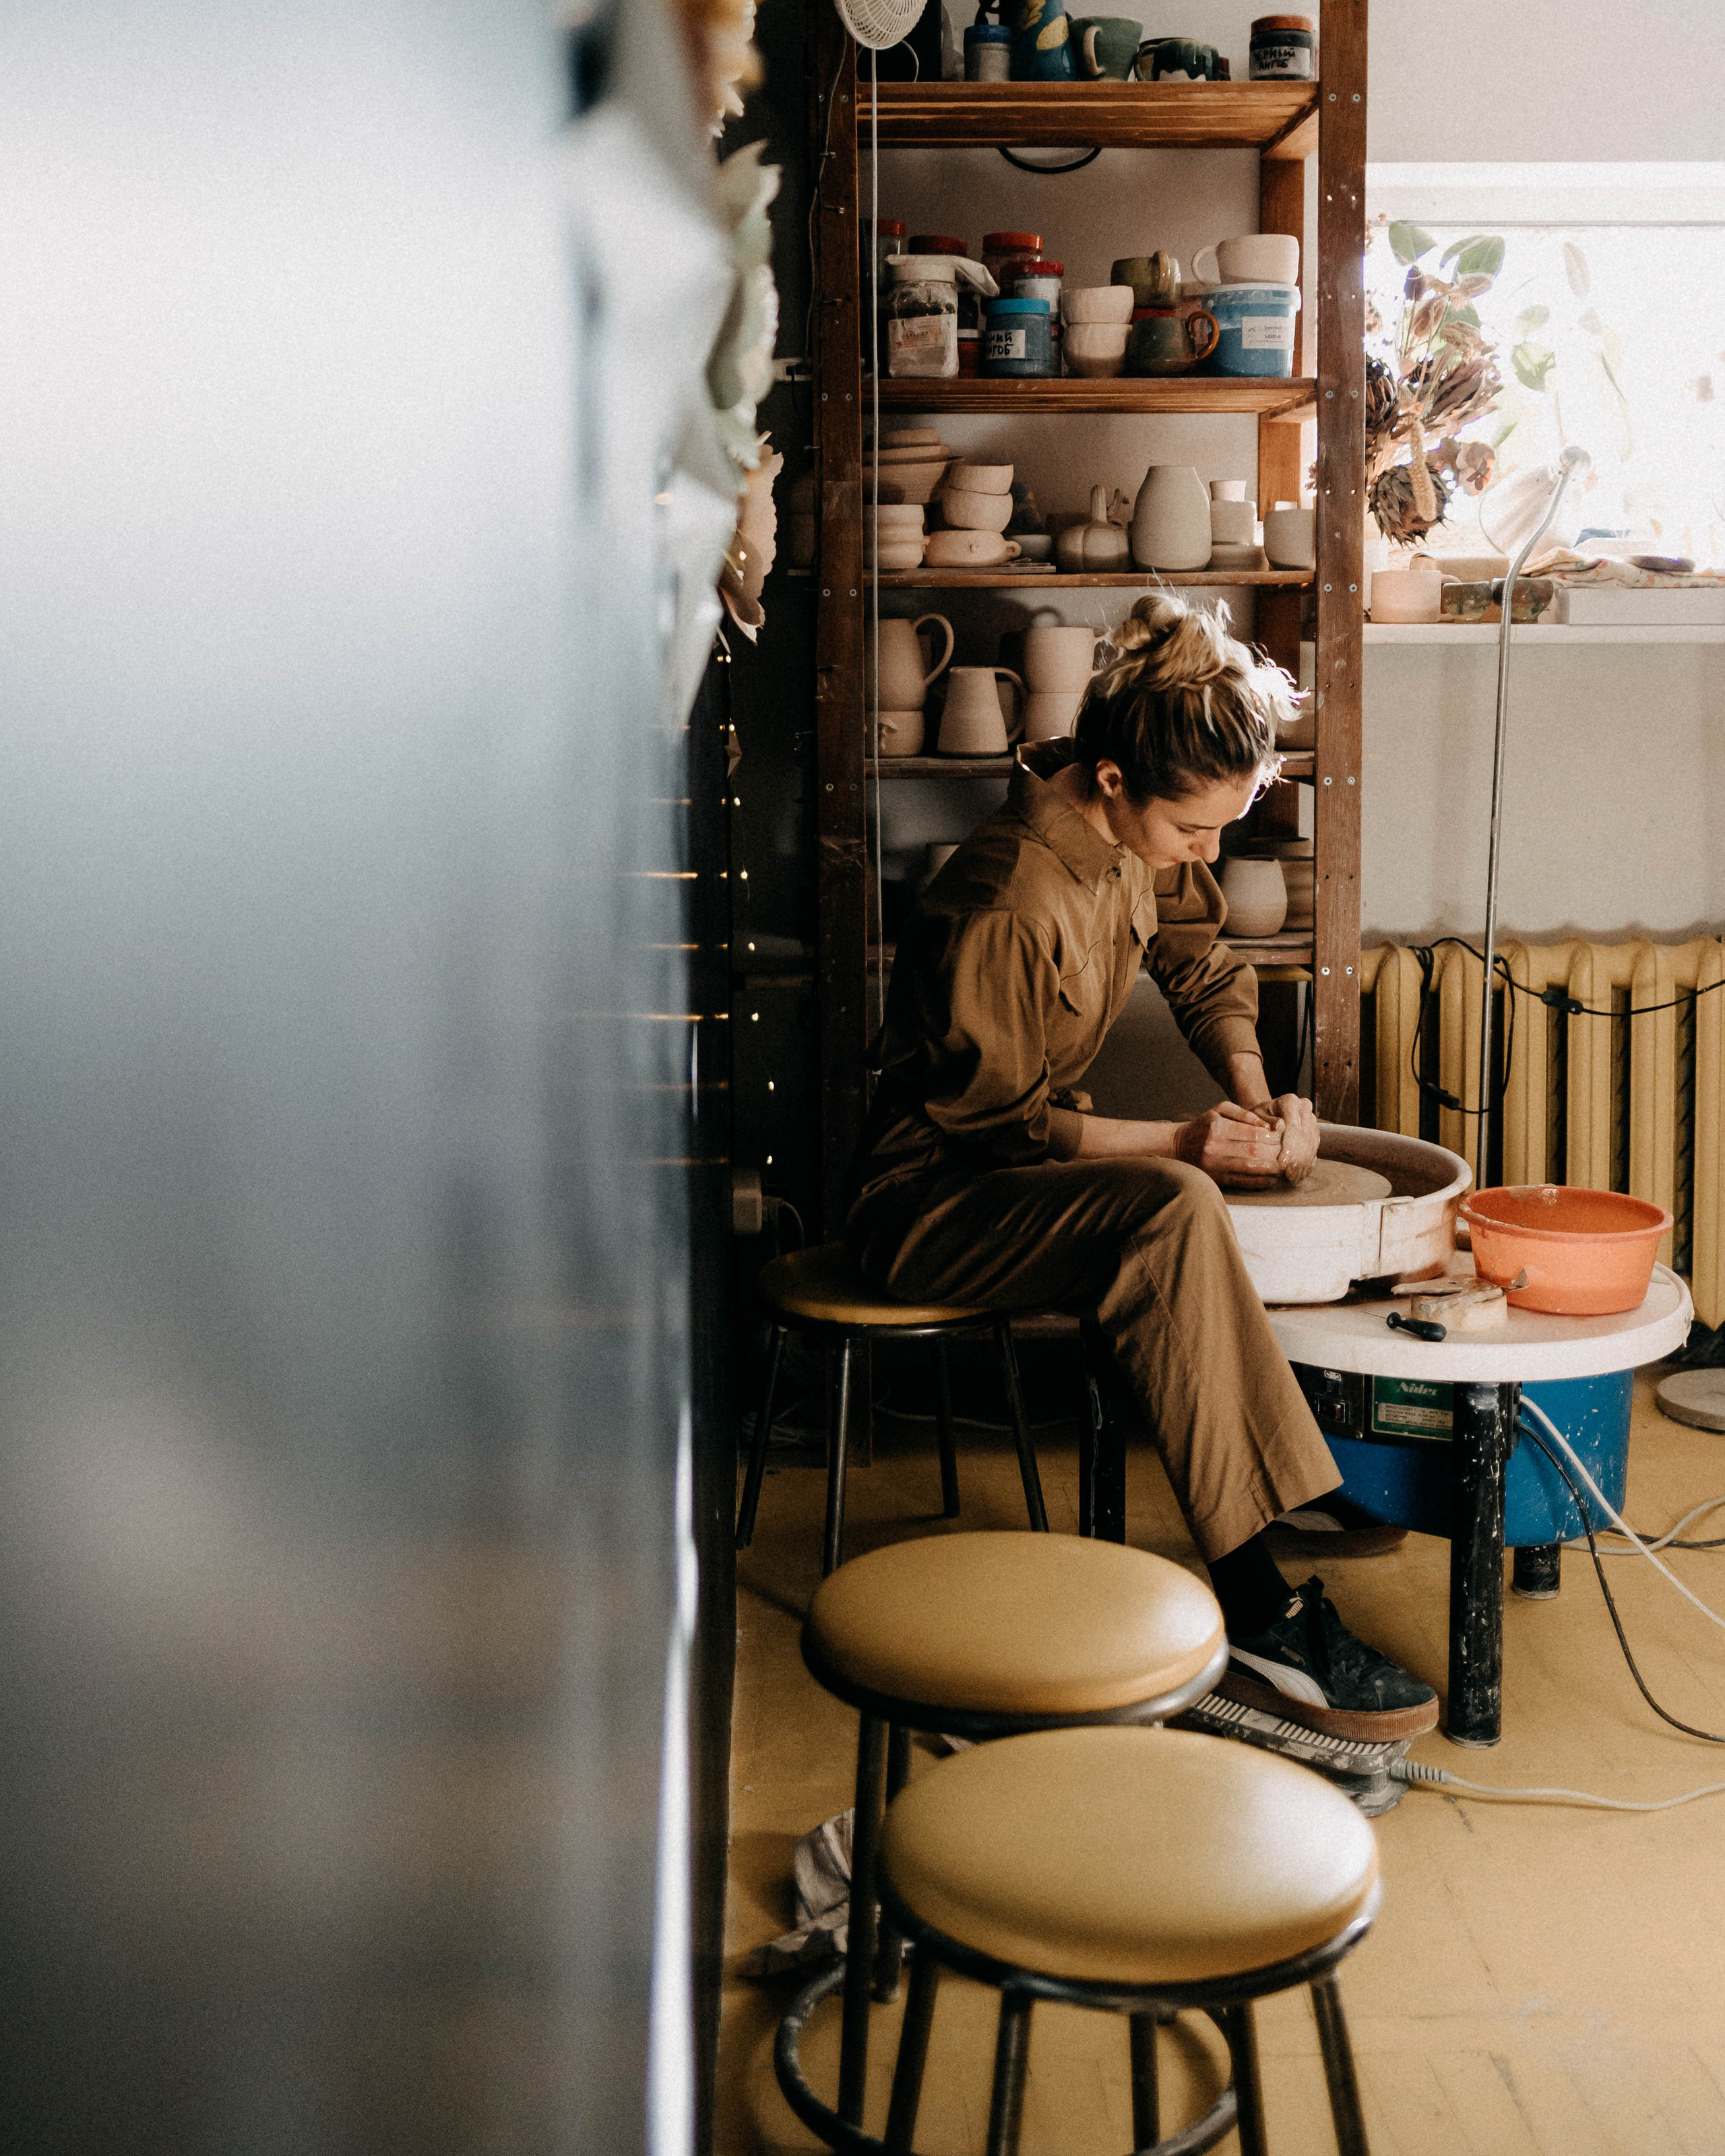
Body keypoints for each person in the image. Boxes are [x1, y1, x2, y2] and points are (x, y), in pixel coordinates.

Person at [844, 595, 1436, 1742]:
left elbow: (1202, 966)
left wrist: (1260, 1099)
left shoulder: (1130, 839)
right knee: (1170, 1202)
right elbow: (1002, 1129)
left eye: (1227, 829)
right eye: (1196, 831)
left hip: (1004, 1171)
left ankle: (1293, 1493)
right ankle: (1261, 1607)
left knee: (1206, 1186)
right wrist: (1179, 1142)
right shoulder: (1008, 902)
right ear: (1113, 780)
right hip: (924, 1201)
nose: (1208, 852)